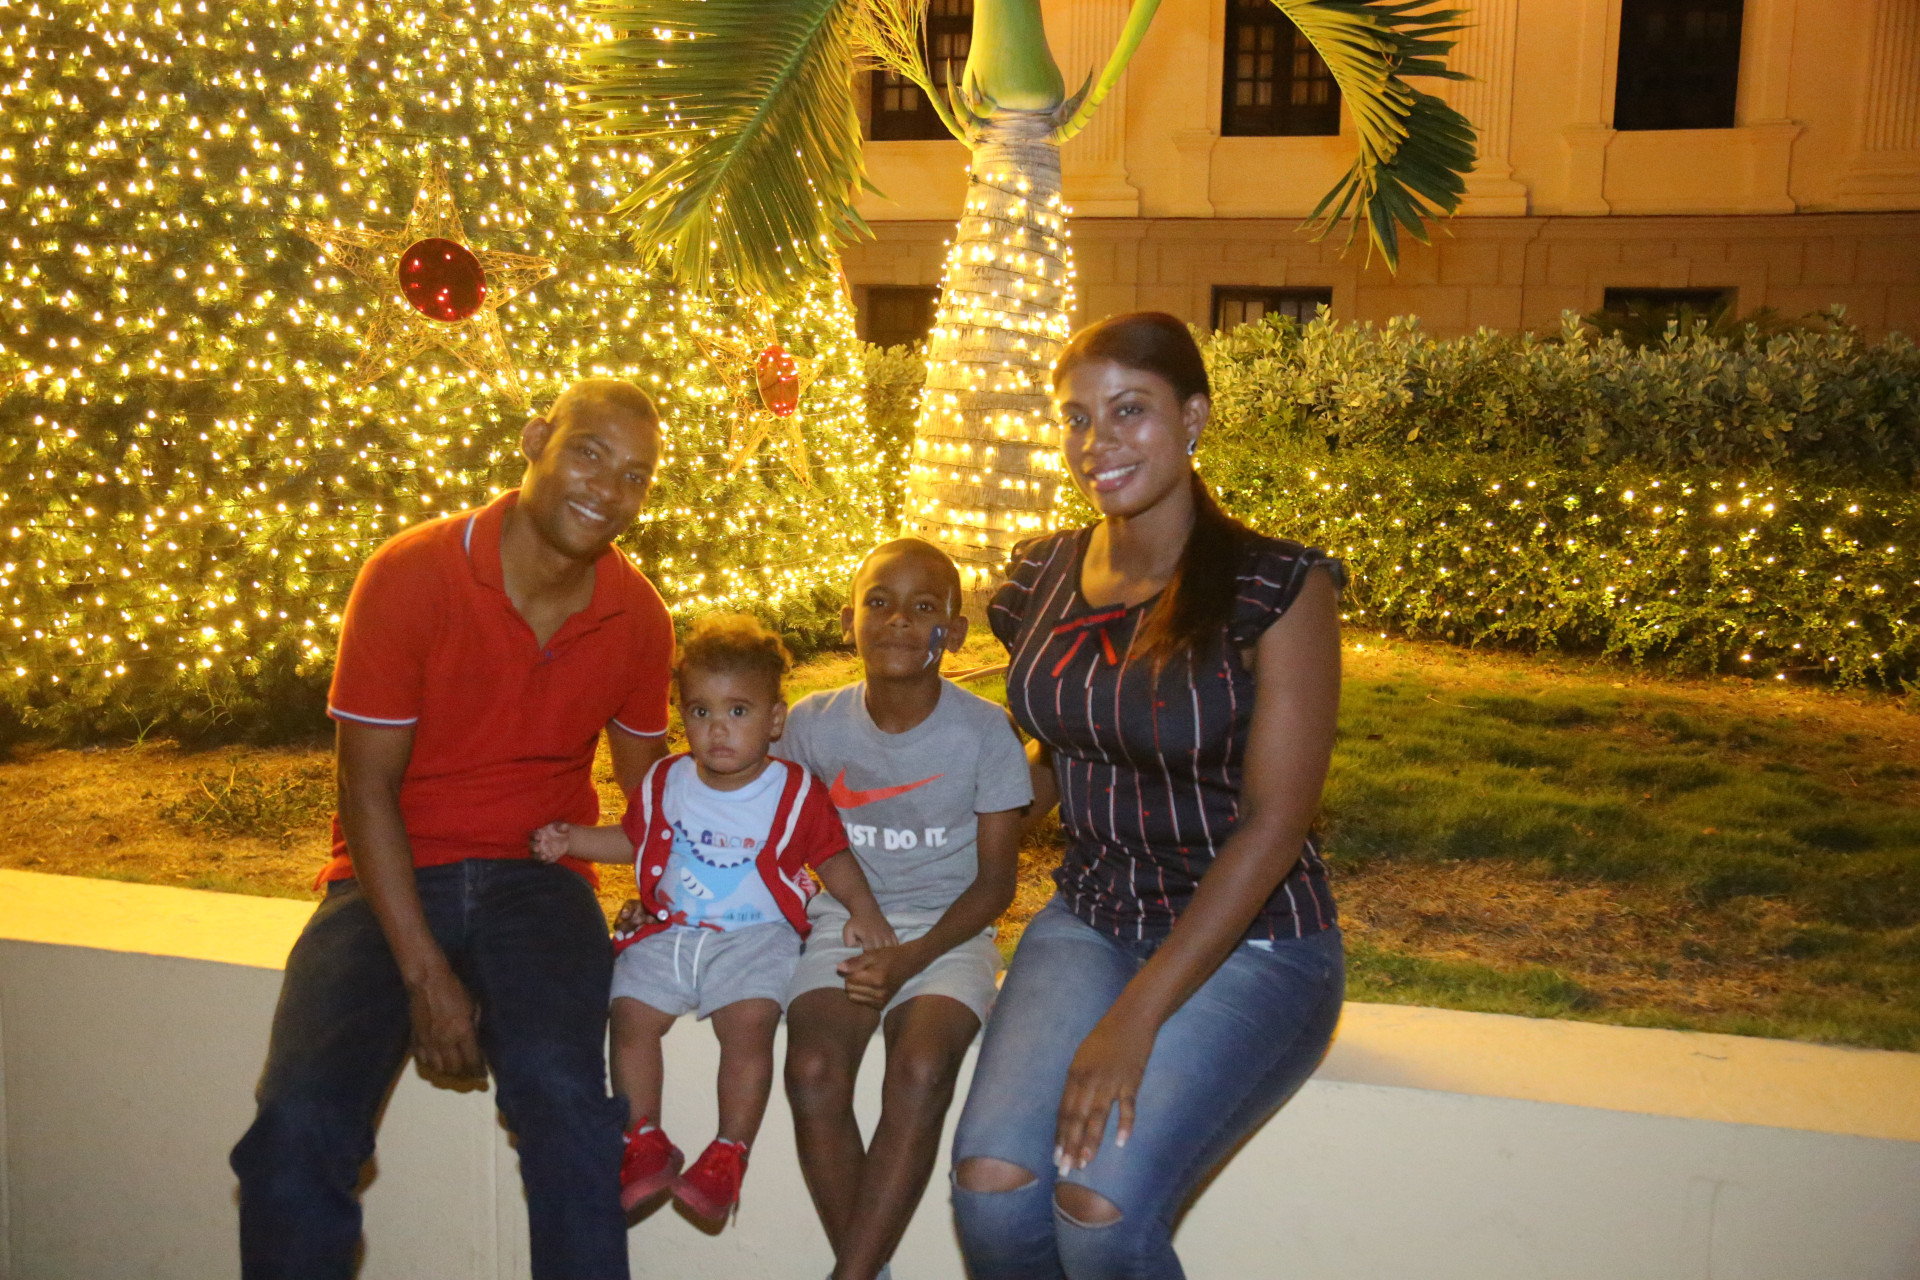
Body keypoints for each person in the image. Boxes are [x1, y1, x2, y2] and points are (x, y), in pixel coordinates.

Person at [230, 380, 674, 1280]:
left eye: (634, 475)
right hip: (388, 875)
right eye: (589, 453)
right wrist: (426, 973)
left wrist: (687, 904)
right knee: (296, 1126)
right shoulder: (412, 573)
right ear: (536, 441)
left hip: (540, 880)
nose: (607, 489)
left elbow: (656, 808)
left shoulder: (637, 616)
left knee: (569, 1112)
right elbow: (365, 787)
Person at [949, 312, 1347, 1280]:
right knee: (994, 1190)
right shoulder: (1044, 573)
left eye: (1130, 410)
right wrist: (916, 828)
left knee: (1099, 1209)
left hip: (1252, 940)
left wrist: (1134, 1018)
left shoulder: (1277, 586)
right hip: (1093, 915)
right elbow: (1056, 755)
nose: (1098, 441)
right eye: (1077, 417)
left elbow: (1275, 825)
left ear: (1193, 417)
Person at [530, 613, 896, 1225]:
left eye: (738, 711)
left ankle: (728, 1153)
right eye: (700, 712)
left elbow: (832, 854)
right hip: (672, 930)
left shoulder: (792, 791)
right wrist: (572, 840)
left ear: (774, 720)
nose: (717, 729)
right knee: (630, 1015)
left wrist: (865, 909)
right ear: (682, 716)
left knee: (747, 1024)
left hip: (757, 937)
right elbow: (637, 841)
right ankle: (643, 1139)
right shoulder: (666, 780)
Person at [780, 538, 1033, 1280]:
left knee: (921, 1068)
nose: (898, 620)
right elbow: (772, 836)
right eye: (879, 602)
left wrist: (909, 958)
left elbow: (996, 885)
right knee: (814, 1069)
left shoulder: (984, 731)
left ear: (953, 632)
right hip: (846, 922)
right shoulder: (812, 724)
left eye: (924, 607)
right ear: (848, 619)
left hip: (949, 932)